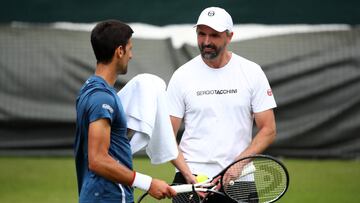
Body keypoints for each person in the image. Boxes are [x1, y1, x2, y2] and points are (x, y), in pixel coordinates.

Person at [168, 7, 277, 202]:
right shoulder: (181, 76)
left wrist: (238, 165)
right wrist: (188, 175)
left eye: (214, 35)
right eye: (201, 34)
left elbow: (268, 129)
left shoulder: (252, 72)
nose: (206, 41)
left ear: (229, 36)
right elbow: (166, 135)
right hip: (190, 180)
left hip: (240, 179)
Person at [74, 19, 176, 203]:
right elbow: (97, 159)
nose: (131, 55)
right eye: (130, 49)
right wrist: (148, 183)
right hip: (108, 197)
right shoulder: (102, 98)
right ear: (119, 51)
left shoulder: (90, 89)